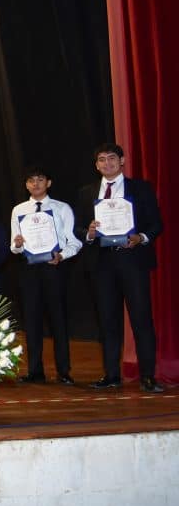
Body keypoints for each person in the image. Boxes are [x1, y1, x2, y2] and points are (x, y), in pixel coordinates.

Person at [75, 143, 165, 393]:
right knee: (107, 321)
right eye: (101, 160)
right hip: (102, 264)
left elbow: (156, 224)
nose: (107, 163)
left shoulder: (140, 188)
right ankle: (111, 374)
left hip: (133, 261)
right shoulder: (87, 192)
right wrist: (89, 233)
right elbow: (78, 229)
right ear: (96, 165)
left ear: (122, 161)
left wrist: (141, 237)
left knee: (141, 319)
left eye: (112, 158)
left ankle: (148, 376)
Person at [9, 166, 81, 385]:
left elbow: (74, 241)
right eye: (31, 180)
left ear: (48, 183)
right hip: (29, 270)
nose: (35, 184)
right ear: (26, 185)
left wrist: (62, 255)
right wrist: (18, 245)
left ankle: (63, 371)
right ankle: (35, 371)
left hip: (54, 267)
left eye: (40, 179)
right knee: (31, 320)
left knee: (58, 319)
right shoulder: (19, 209)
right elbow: (14, 246)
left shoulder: (61, 208)